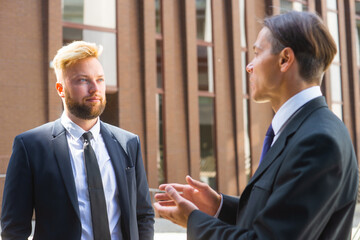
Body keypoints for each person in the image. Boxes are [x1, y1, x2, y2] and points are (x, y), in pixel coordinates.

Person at [154, 11, 358, 239]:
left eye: (257, 53)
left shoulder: (319, 140)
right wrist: (218, 207)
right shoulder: (303, 129)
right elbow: (278, 217)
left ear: (284, 60)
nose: (249, 66)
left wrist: (193, 220)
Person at [1, 41, 154, 240]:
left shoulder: (128, 143)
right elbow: (14, 229)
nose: (94, 89)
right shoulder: (30, 147)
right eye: (83, 80)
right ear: (60, 89)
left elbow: (143, 215)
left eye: (99, 79)